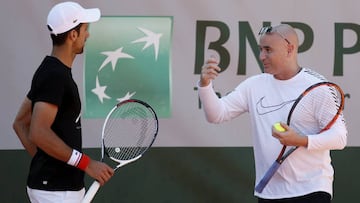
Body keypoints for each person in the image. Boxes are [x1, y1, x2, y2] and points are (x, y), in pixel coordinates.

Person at [197, 24, 347, 202]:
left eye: (268, 50)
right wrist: (205, 84)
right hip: (269, 192)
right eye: (260, 49)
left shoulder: (318, 87)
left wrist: (299, 140)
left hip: (312, 189)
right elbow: (216, 115)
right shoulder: (253, 85)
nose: (261, 56)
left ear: (289, 49)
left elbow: (339, 137)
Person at [12, 2, 114, 202]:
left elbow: (20, 122)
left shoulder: (50, 71)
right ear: (73, 35)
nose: (88, 35)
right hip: (56, 192)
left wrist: (48, 162)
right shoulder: (54, 76)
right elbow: (38, 132)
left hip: (56, 188)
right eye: (85, 29)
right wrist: (87, 164)